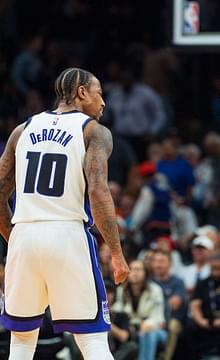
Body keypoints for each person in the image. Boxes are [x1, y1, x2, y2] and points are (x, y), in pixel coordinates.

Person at [0, 67, 130, 359]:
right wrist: (117, 254)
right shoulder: (93, 131)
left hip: (24, 234)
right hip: (67, 234)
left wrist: (14, 236)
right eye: (100, 93)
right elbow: (98, 192)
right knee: (92, 339)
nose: (103, 102)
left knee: (21, 341)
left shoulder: (22, 129)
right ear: (82, 92)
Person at [184, 253, 220, 359]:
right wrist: (201, 321)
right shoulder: (203, 283)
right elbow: (194, 304)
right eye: (212, 268)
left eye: (218, 268)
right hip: (206, 320)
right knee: (189, 327)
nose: (215, 272)